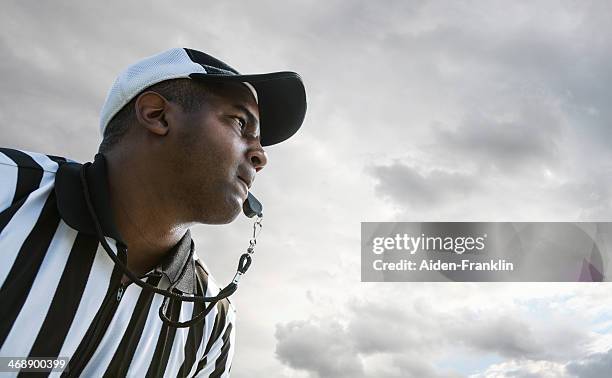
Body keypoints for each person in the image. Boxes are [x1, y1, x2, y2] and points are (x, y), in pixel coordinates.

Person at [0, 48, 306, 377]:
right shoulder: (8, 191)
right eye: (240, 122)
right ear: (157, 114)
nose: (261, 156)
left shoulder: (213, 323)